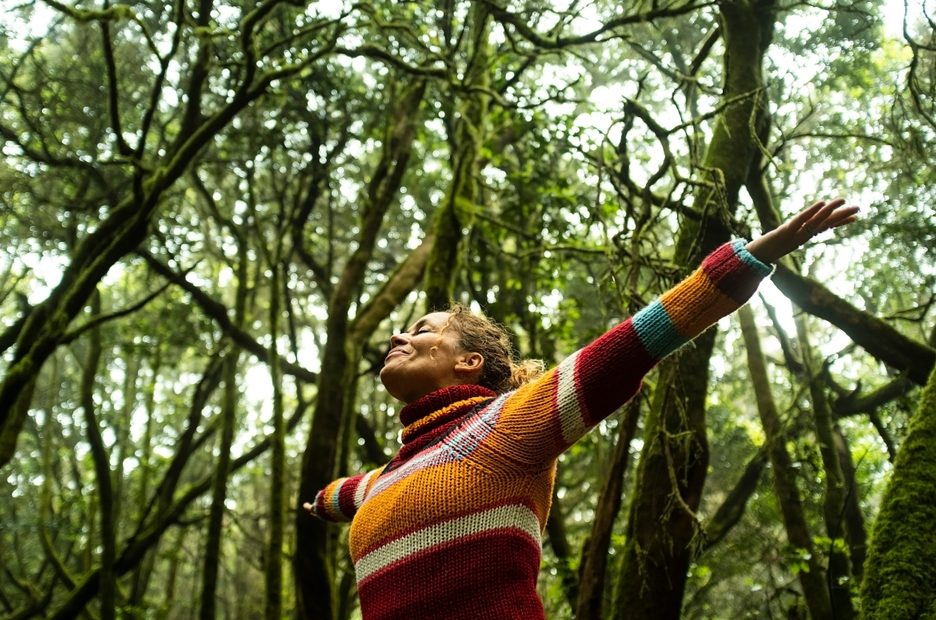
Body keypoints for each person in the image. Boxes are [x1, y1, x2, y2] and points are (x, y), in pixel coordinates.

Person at [304, 198, 860, 620]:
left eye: (422, 330)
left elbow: (633, 343)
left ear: (469, 362)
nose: (400, 335)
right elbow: (348, 493)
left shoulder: (506, 428)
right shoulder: (387, 478)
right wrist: (321, 501)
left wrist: (750, 257)